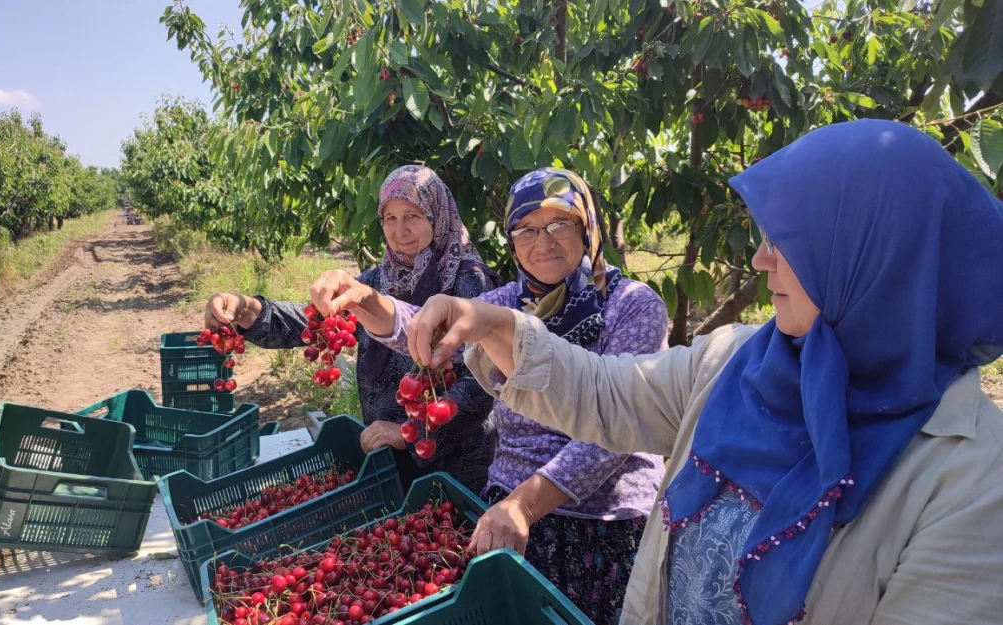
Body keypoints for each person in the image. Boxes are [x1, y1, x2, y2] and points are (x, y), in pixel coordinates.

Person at [403, 120, 1003, 625]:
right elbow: (603, 393)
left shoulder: (972, 486)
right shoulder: (738, 362)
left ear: (879, 256)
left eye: (788, 241)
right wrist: (490, 323)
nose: (760, 258)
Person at [309, 167, 669, 625]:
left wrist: (524, 504)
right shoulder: (504, 305)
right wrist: (363, 299)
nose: (543, 242)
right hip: (508, 513)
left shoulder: (632, 306)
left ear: (588, 226)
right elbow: (422, 324)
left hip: (605, 524)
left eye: (560, 224)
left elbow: (615, 431)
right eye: (526, 229)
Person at [205, 165, 500, 495]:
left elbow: (483, 382)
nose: (400, 230)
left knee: (450, 540)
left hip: (456, 466)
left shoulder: (468, 281)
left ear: (437, 216)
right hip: (387, 458)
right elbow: (315, 324)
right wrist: (247, 309)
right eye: (390, 218)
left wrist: (412, 429)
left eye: (413, 216)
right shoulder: (378, 280)